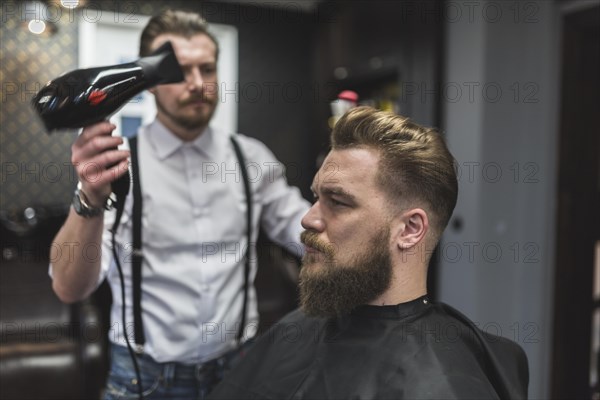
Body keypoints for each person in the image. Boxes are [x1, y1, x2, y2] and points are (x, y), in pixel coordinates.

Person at [49, 9, 310, 399]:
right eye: (179, 71)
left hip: (240, 369)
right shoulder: (117, 167)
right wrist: (90, 198)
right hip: (143, 378)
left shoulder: (251, 159)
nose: (196, 83)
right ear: (150, 83)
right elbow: (69, 288)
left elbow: (302, 230)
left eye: (207, 68)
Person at [208, 106, 529, 399]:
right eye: (317, 196)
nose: (308, 218)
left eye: (338, 202)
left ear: (410, 229)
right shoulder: (297, 329)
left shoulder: (444, 382)